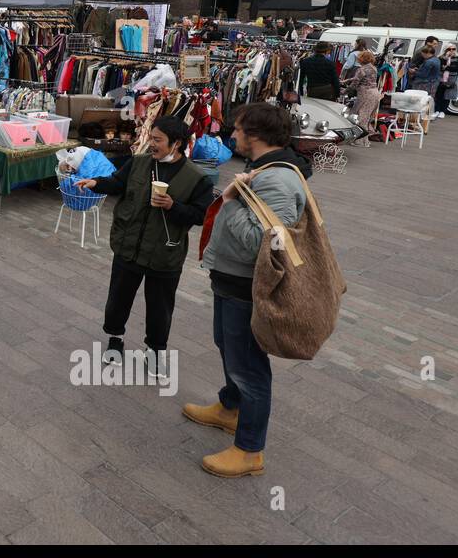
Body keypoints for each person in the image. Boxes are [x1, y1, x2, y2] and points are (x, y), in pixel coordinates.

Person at [191, 102, 311, 478]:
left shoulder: (276, 179)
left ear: (255, 135)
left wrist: (228, 201)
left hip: (248, 284)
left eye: (238, 130)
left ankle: (250, 450)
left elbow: (262, 243)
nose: (232, 135)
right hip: (232, 279)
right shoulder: (261, 169)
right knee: (227, 346)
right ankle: (231, 407)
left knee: (249, 366)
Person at [77, 118, 215, 372]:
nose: (152, 144)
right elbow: (118, 183)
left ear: (177, 144)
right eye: (151, 137)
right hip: (129, 246)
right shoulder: (140, 163)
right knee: (118, 298)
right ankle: (115, 340)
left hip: (165, 253)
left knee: (160, 308)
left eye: (158, 140)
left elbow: (200, 216)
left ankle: (154, 352)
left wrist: (174, 206)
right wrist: (96, 183)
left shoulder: (197, 179)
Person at [340, 50, 380, 145]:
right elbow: (363, 78)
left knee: (361, 117)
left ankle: (360, 141)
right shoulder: (373, 68)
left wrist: (344, 91)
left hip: (365, 94)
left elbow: (355, 83)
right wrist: (347, 80)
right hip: (375, 93)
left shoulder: (361, 69)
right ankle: (364, 140)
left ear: (361, 59)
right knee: (366, 117)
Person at [408, 46, 441, 118]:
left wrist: (413, 71)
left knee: (421, 100)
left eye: (423, 54)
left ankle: (420, 117)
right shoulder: (436, 59)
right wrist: (418, 69)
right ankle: (428, 116)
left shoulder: (429, 62)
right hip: (433, 82)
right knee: (429, 99)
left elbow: (423, 75)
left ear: (428, 53)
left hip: (424, 84)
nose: (422, 55)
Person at [434, 44, 458, 119]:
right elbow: (440, 67)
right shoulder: (441, 57)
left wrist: (446, 67)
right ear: (445, 50)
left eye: (453, 49)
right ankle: (437, 110)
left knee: (447, 96)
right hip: (440, 78)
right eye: (449, 49)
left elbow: (456, 68)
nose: (451, 51)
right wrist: (447, 59)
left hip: (451, 79)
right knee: (438, 94)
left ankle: (443, 111)